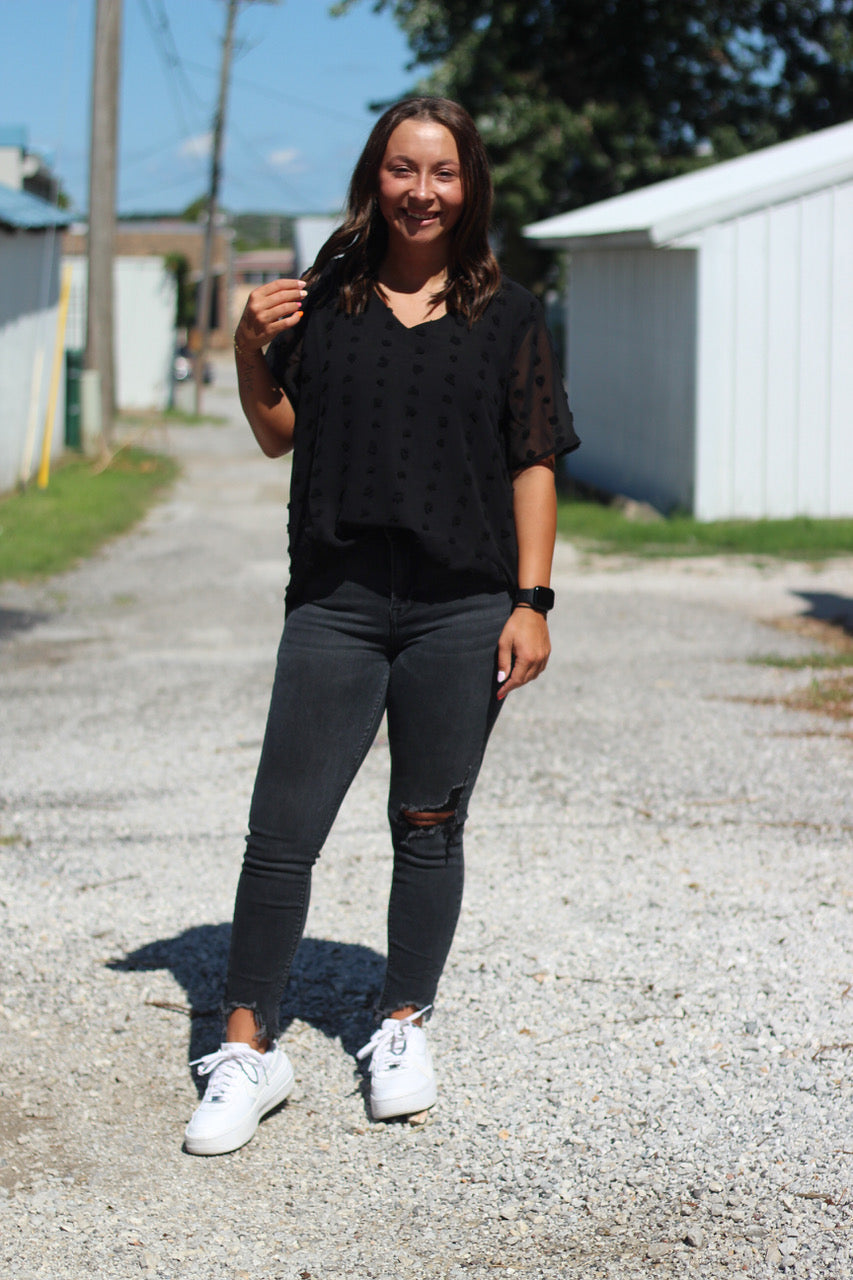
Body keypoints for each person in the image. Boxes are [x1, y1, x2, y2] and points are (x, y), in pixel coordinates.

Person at [184, 96, 579, 1156]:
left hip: (461, 606)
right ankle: (247, 1046)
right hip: (337, 603)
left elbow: (533, 458)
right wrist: (244, 347)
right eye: (402, 169)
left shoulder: (511, 316)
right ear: (375, 176)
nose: (420, 190)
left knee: (428, 824)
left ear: (469, 186)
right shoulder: (328, 295)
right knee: (282, 834)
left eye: (441, 172)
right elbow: (280, 437)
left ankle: (400, 1021)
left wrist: (531, 602)